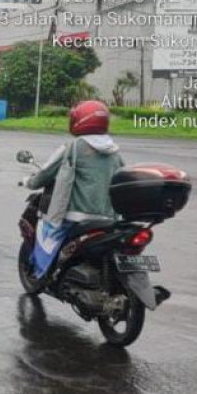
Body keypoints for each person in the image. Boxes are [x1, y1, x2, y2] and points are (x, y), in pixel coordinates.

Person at [23, 100, 124, 278]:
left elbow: (46, 173)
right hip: (108, 218)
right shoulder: (115, 151)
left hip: (76, 216)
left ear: (79, 120)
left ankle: (40, 273)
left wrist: (29, 182)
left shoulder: (73, 147)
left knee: (46, 230)